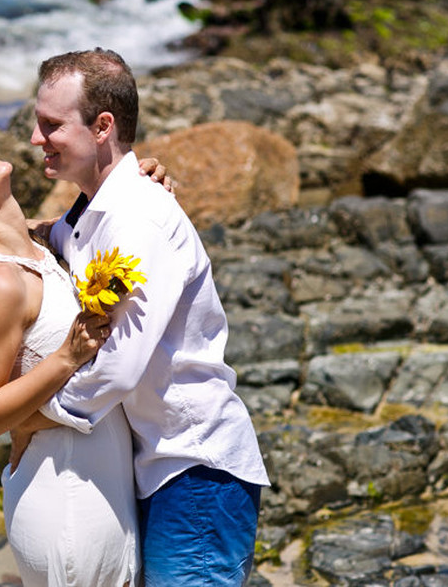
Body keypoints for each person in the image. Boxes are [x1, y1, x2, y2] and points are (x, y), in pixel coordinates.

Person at [22, 48, 270, 587]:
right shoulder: (90, 210)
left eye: (50, 125)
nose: (36, 140)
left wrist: (31, 418)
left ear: (103, 126)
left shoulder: (140, 218)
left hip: (195, 464)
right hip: (155, 466)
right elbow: (49, 242)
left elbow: (117, 368)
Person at [0, 143, 169, 587]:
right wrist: (66, 357)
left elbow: (95, 219)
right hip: (65, 497)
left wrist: (142, 180)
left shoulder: (38, 248)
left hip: (99, 483)